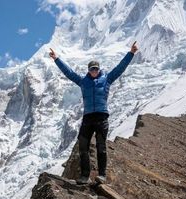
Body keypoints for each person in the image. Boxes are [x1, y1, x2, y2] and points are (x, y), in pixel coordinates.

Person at [49, 42, 138, 184]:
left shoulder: (107, 79)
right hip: (88, 118)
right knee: (83, 147)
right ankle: (85, 176)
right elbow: (69, 73)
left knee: (101, 147)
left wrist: (131, 53)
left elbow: (120, 68)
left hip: (102, 117)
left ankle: (102, 175)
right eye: (91, 69)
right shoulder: (83, 81)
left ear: (99, 69)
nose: (94, 71)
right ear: (89, 70)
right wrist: (56, 59)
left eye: (96, 69)